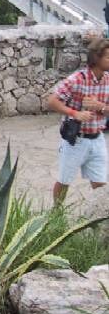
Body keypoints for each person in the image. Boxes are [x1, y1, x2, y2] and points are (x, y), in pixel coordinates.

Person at [47, 37, 109, 205]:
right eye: (108, 57)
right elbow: (52, 100)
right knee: (64, 180)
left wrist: (100, 107)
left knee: (100, 183)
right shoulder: (77, 79)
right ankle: (56, 215)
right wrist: (75, 113)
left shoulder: (108, 80)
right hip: (76, 140)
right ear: (96, 58)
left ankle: (99, 217)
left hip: (97, 139)